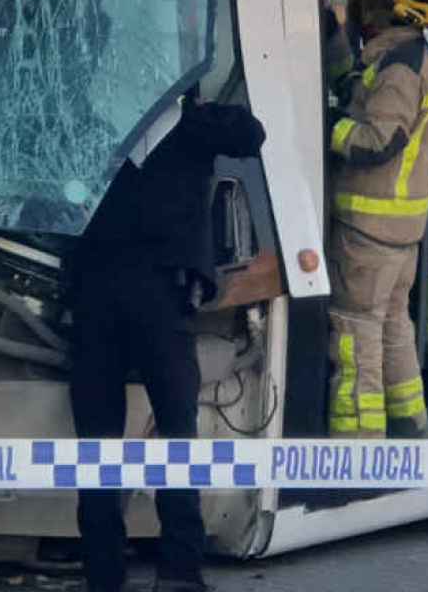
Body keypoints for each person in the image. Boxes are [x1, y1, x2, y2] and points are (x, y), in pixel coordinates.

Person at [67, 94, 266, 592]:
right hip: (158, 298)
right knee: (177, 437)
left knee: (97, 447)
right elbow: (251, 135)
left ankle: (104, 574)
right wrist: (197, 104)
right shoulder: (189, 128)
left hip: (95, 296)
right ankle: (178, 570)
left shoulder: (92, 122)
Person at [325, 0, 428, 438]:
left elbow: (379, 139)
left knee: (354, 332)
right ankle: (409, 425)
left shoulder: (404, 62)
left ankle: (357, 446)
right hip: (404, 227)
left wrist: (330, 127)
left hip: (367, 226)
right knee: (392, 325)